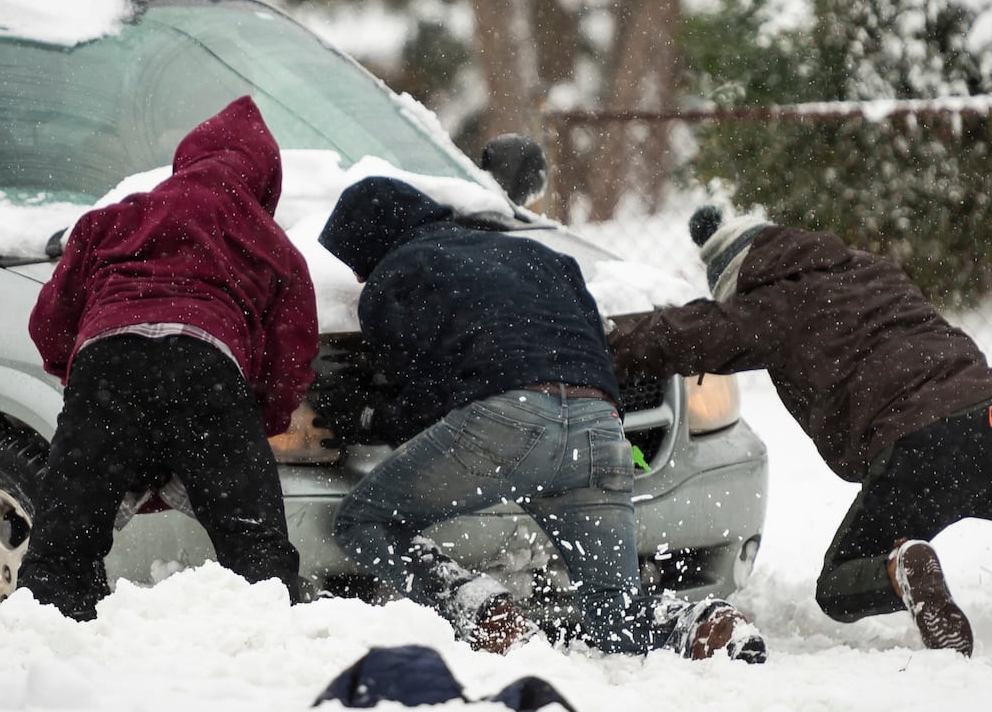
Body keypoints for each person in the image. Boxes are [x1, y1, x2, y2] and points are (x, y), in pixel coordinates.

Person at [608, 206, 992, 656]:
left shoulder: (771, 304)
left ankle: (901, 568)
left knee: (837, 583)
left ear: (736, 278)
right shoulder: (873, 269)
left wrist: (585, 335)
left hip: (918, 450)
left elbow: (678, 336)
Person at [314, 176, 759, 659]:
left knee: (364, 520)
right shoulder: (537, 255)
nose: (358, 278)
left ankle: (481, 610)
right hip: (601, 427)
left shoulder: (397, 275)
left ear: (372, 246)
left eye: (355, 262)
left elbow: (424, 396)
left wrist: (364, 416)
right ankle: (703, 625)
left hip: (507, 423)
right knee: (615, 612)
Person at [18, 96, 317, 620]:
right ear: (265, 182)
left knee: (60, 553)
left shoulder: (112, 219)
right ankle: (273, 656)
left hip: (106, 366)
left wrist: (93, 393)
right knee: (258, 554)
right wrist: (253, 423)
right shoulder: (272, 242)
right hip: (206, 369)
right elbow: (290, 360)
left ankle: (49, 655)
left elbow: (49, 325)